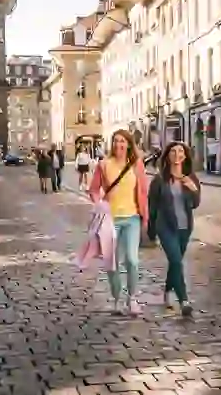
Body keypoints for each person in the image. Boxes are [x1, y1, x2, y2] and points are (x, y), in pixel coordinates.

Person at [87, 130, 149, 315]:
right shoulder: (104, 165)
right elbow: (94, 189)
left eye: (122, 141)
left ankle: (132, 299)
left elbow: (143, 192)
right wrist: (98, 203)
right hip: (110, 220)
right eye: (115, 141)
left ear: (129, 144)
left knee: (132, 260)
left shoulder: (137, 164)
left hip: (132, 218)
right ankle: (116, 299)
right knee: (112, 263)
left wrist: (145, 217)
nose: (119, 145)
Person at [148, 141, 201, 316]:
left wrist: (193, 189)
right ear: (167, 156)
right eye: (173, 152)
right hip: (165, 227)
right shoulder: (159, 180)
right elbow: (152, 207)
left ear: (185, 156)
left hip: (185, 227)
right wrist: (151, 231)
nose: (177, 155)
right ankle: (184, 300)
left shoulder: (191, 177)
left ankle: (168, 290)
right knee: (177, 261)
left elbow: (195, 204)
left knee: (175, 262)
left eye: (180, 152)